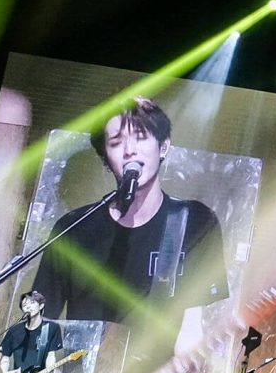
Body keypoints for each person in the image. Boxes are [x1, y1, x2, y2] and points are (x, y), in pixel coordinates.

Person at [39, 97, 226, 331]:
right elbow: (40, 324)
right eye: (116, 142)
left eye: (140, 137)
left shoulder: (194, 221)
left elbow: (197, 329)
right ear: (105, 157)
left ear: (163, 147)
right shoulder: (73, 228)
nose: (130, 151)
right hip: (81, 355)